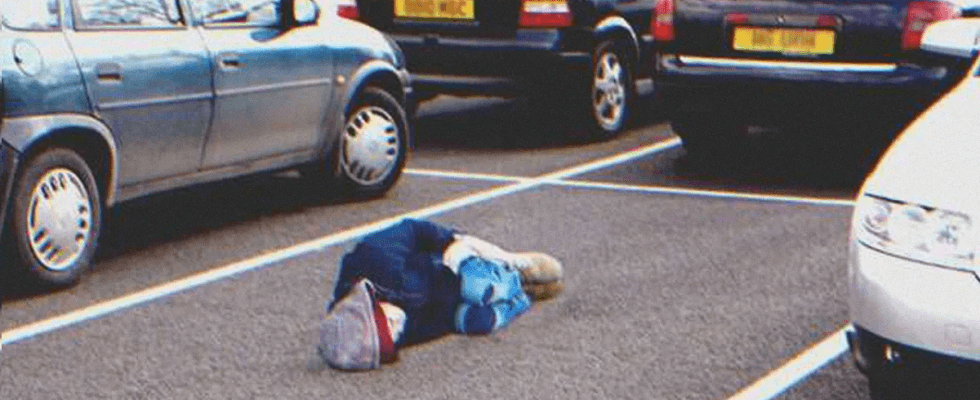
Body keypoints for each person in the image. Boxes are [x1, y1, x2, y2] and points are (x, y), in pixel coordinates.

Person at [317, 218, 563, 370]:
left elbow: (412, 229)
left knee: (478, 287)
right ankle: (523, 298)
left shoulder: (374, 259)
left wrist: (450, 243)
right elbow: (434, 324)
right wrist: (459, 320)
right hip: (446, 302)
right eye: (391, 340)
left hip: (450, 265)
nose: (398, 330)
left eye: (387, 325)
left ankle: (514, 266)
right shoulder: (384, 336)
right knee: (479, 321)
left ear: (368, 306)